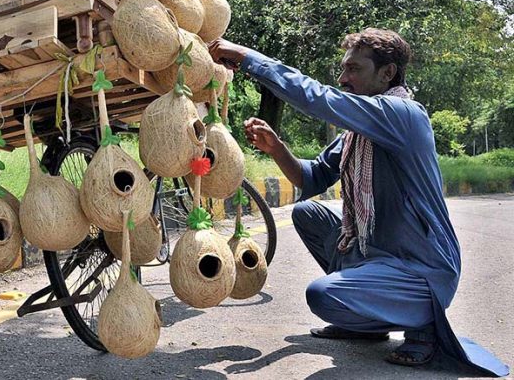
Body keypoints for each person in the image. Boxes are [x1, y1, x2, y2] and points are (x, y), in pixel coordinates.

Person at [208, 29, 508, 377]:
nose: (342, 78)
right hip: (376, 255)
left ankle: (422, 324)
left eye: (353, 69)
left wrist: (250, 58)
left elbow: (318, 98)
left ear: (387, 73)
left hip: (420, 268)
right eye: (343, 69)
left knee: (321, 295)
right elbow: (313, 177)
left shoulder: (403, 114)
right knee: (308, 213)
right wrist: (276, 149)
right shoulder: (358, 133)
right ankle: (370, 321)